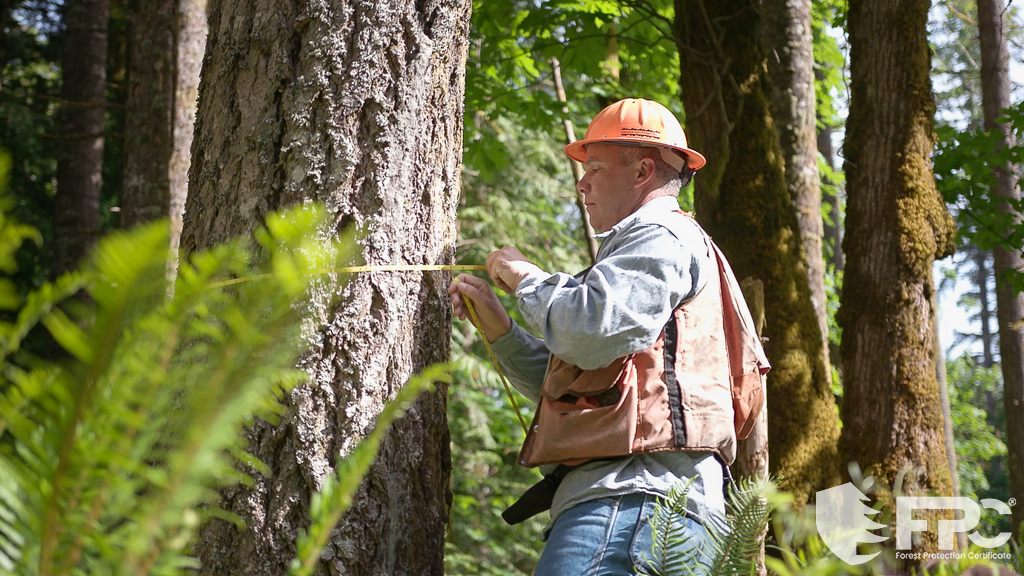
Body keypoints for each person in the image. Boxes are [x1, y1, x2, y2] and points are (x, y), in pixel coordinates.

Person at [448, 98, 742, 576]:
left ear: (643, 170)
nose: (581, 183)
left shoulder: (659, 235)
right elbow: (590, 377)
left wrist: (525, 277)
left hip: (631, 505)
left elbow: (587, 331)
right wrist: (501, 331)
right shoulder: (657, 248)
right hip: (649, 508)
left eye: (596, 168)